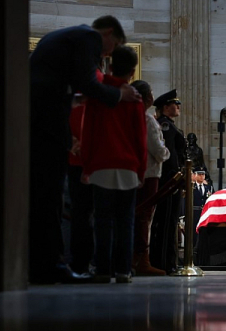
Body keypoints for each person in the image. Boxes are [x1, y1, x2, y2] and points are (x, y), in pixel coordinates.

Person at [29, 15, 141, 284]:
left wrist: (78, 99)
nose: (106, 55)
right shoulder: (89, 37)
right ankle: (52, 265)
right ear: (109, 33)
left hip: (40, 115)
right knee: (51, 196)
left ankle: (46, 264)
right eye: (110, 47)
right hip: (47, 121)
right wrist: (119, 95)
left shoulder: (71, 38)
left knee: (49, 197)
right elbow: (88, 82)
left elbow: (74, 87)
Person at [80, 45, 147, 283]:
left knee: (102, 220)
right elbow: (140, 138)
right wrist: (141, 169)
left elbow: (88, 132)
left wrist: (86, 165)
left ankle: (101, 269)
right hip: (128, 165)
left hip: (101, 164)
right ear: (132, 71)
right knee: (125, 221)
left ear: (109, 65)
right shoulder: (135, 99)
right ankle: (122, 270)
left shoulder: (99, 94)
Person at [130, 80, 170, 276]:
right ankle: (141, 261)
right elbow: (158, 150)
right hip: (149, 173)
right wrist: (167, 153)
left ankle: (133, 259)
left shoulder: (129, 116)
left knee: (135, 216)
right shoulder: (147, 120)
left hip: (134, 172)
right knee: (144, 217)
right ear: (147, 97)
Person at [150, 89, 187, 274]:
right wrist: (175, 178)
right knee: (166, 222)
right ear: (166, 107)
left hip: (173, 180)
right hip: (169, 180)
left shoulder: (170, 125)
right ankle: (164, 263)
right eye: (175, 104)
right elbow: (170, 155)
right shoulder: (165, 125)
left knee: (170, 221)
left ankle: (168, 261)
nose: (178, 106)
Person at [192, 167, 213, 248]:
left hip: (204, 212)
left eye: (203, 174)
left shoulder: (208, 187)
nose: (201, 176)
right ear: (195, 175)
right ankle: (194, 249)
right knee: (194, 232)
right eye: (199, 174)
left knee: (204, 230)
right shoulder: (192, 187)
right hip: (195, 212)